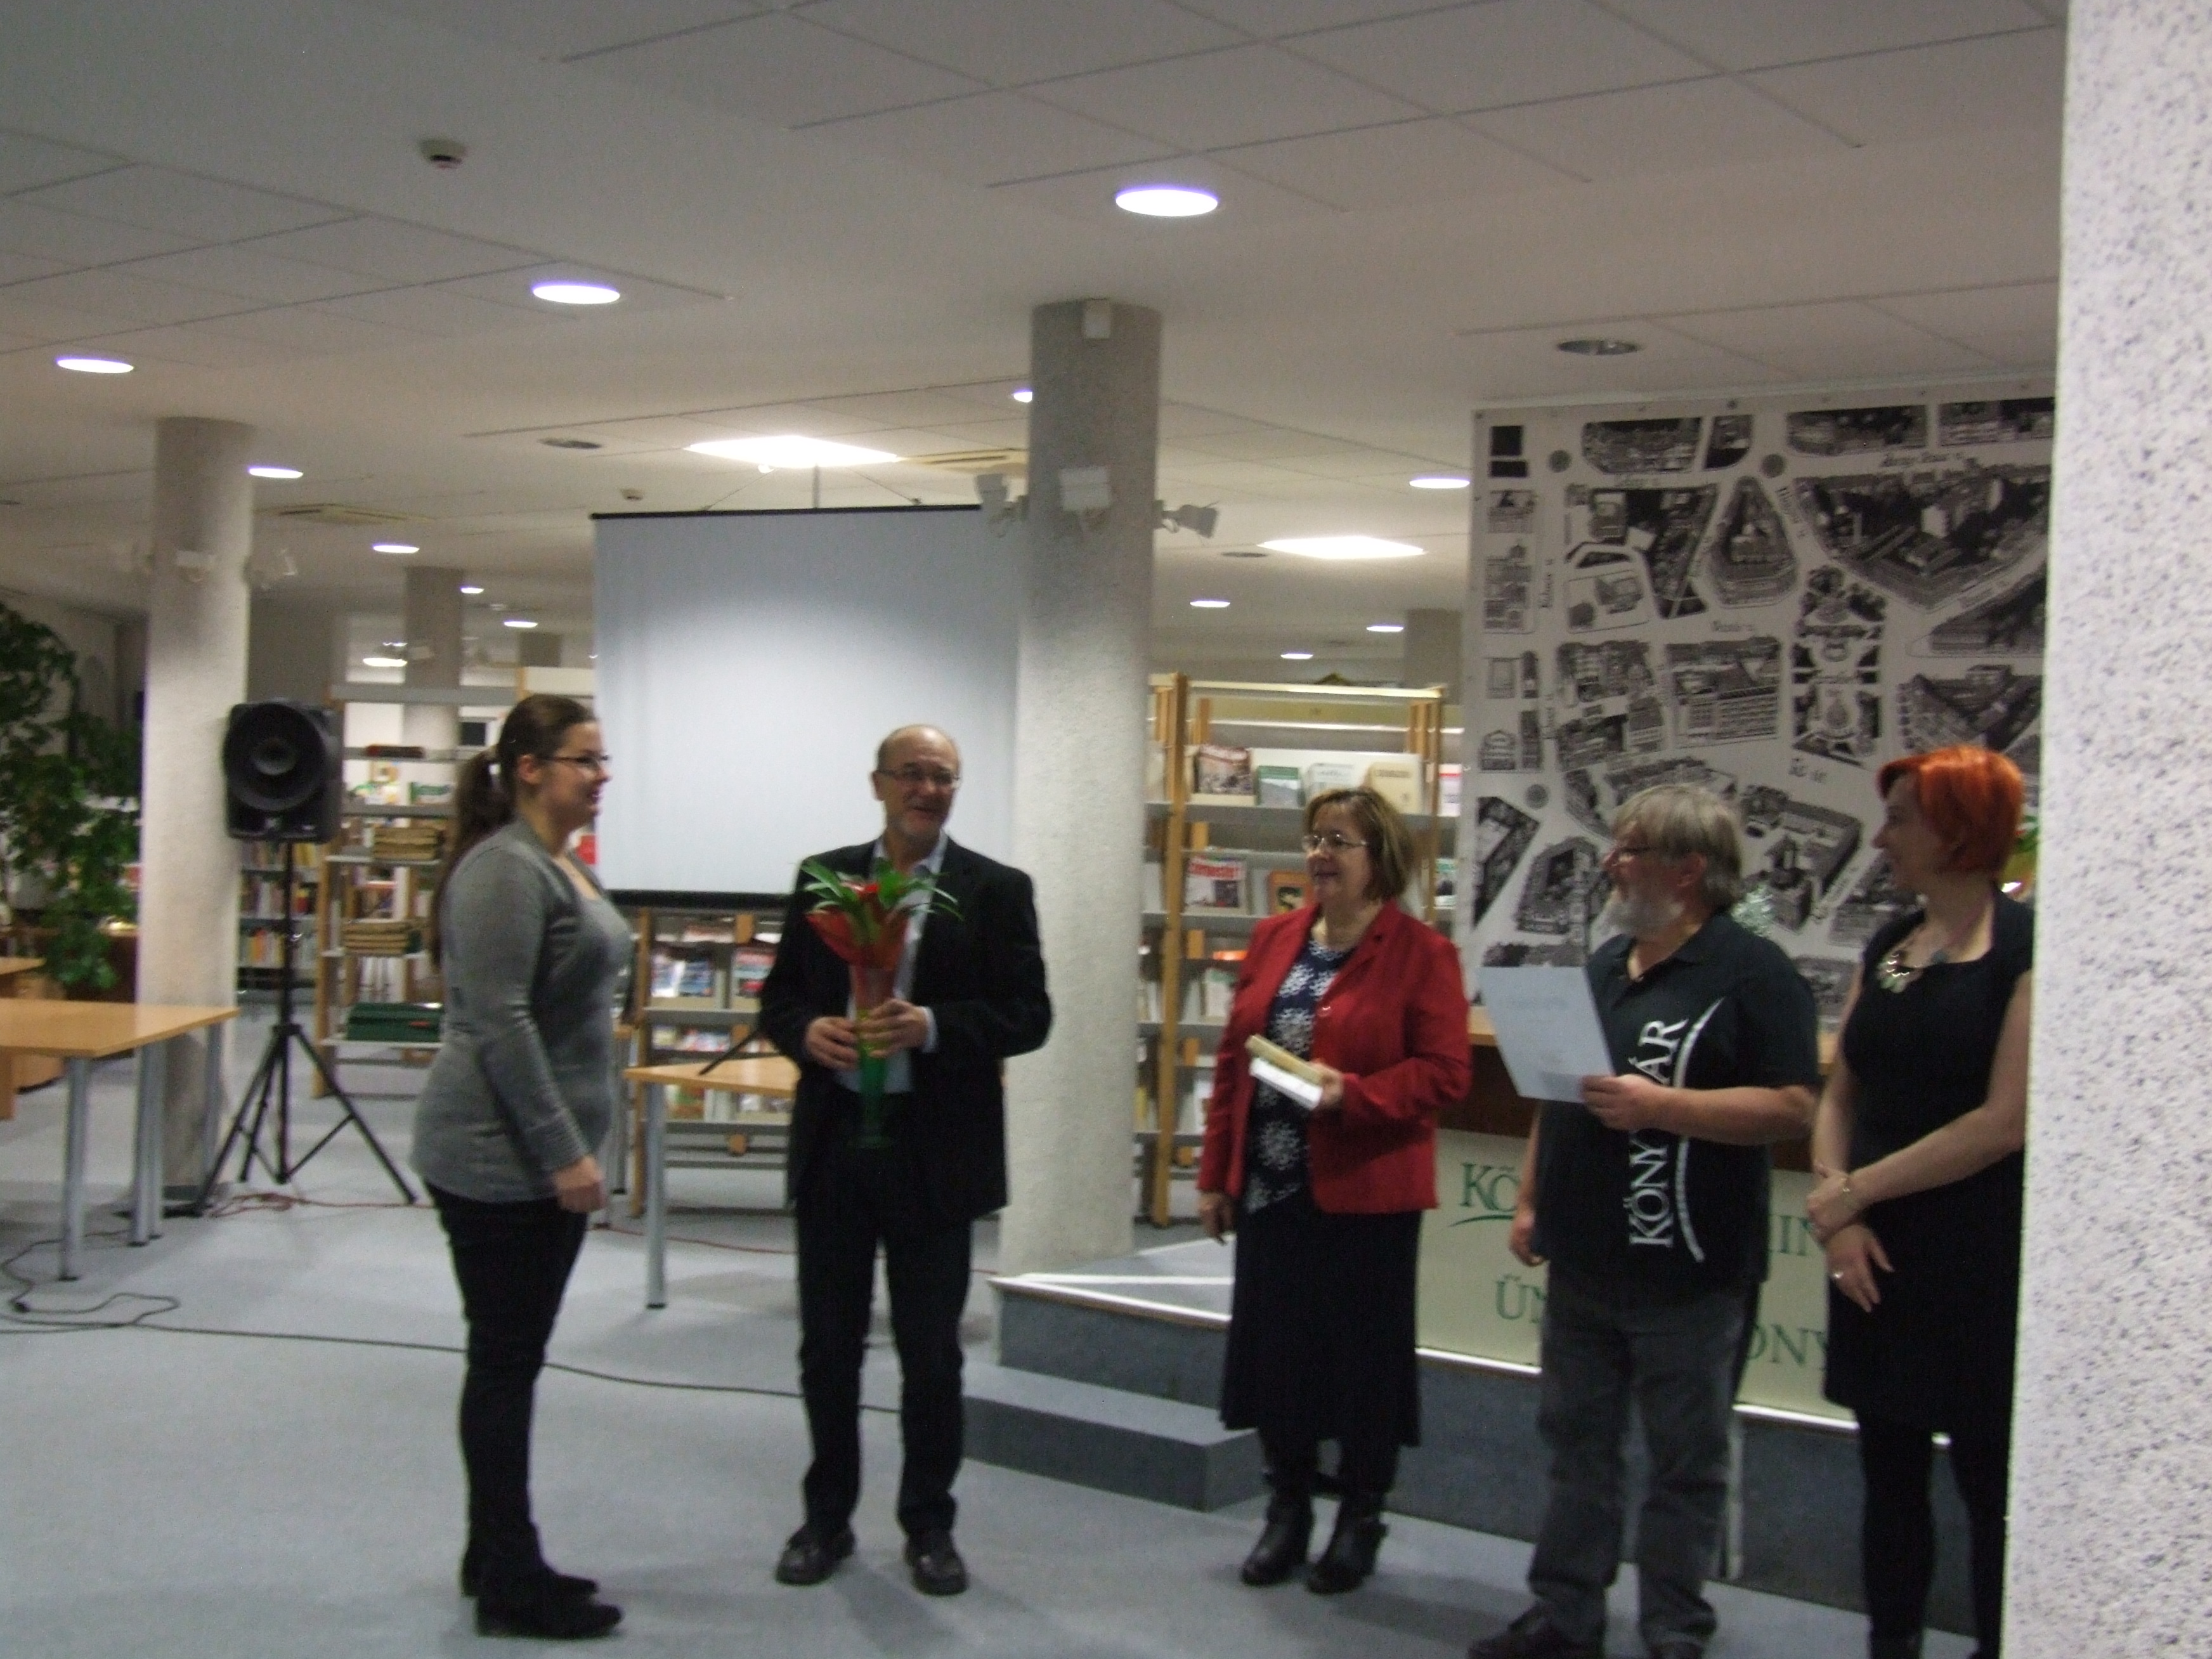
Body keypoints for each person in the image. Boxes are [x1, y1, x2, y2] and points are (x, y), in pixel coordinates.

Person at [1474, 784, 1821, 1659]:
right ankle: (1565, 1615)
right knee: (1577, 1448)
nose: (1609, 863)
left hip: (1690, 1270)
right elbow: (1558, 1092)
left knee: (1684, 1462)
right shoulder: (1602, 967)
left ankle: (1673, 1626)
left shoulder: (1753, 972)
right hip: (1585, 1258)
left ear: (1688, 868)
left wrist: (1665, 1107)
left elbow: (1792, 1106)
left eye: (1629, 848)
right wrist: (1529, 1199)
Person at [757, 724, 1051, 1597]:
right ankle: (826, 1519)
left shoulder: (996, 890)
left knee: (931, 1356)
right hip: (837, 1145)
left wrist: (932, 1027)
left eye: (944, 777)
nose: (928, 789)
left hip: (936, 1153)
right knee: (827, 1349)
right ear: (878, 784)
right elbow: (779, 997)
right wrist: (805, 1032)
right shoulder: (822, 876)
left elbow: (1030, 1014)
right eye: (913, 774)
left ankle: (929, 1526)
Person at [1197, 786, 1471, 1596]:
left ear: (1379, 857)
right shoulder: (1274, 937)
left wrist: (1354, 1094)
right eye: (1314, 839)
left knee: (1361, 1365)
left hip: (1365, 1195)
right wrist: (1215, 1175)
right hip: (1273, 1188)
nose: (1319, 855)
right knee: (1277, 1358)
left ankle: (1359, 1514)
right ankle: (1286, 1508)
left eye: (1338, 842)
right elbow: (1233, 1060)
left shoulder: (1423, 954)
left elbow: (1445, 1074)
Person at [1807, 746, 2031, 1659]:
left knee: (1990, 1482)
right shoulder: (1891, 946)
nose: (1882, 838)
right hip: (1871, 1249)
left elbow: (2002, 1123)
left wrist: (1853, 1192)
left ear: (1959, 829)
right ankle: (1890, 1640)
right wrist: (1842, 1213)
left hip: (1976, 1252)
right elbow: (1841, 1095)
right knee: (1888, 1472)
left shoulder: (2023, 952)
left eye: (1901, 819)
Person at [414, 693, 628, 1641]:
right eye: (585, 759)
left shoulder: (560, 862)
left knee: (510, 1360)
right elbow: (498, 1024)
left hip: (535, 1157)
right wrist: (564, 1151)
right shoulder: (505, 869)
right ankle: (509, 1580)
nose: (602, 775)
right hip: (499, 1159)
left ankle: (491, 1553)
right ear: (531, 770)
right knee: (504, 1366)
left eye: (604, 759)